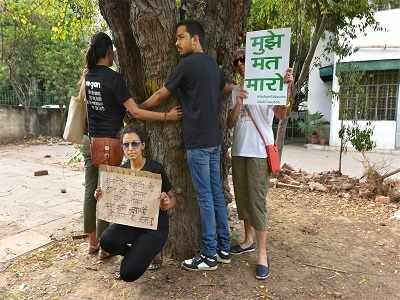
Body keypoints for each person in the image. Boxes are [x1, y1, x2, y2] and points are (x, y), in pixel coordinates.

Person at [140, 20, 246, 271]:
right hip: (214, 140)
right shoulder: (212, 65)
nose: (176, 43)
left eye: (180, 37)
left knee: (207, 198)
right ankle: (222, 249)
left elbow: (161, 96)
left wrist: (137, 108)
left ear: (195, 39)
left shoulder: (186, 65)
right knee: (217, 195)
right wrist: (243, 87)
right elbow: (227, 87)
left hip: (198, 143)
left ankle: (209, 255)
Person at [82, 32, 181, 257]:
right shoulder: (113, 78)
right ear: (109, 52)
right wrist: (167, 116)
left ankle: (93, 242)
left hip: (90, 141)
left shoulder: (88, 76)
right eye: (113, 50)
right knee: (111, 192)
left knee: (92, 191)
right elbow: (135, 111)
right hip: (111, 144)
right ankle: (106, 246)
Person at [227, 48, 293, 280]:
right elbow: (229, 123)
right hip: (238, 151)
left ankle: (263, 254)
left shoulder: (268, 87)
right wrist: (238, 103)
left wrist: (286, 86)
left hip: (258, 153)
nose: (241, 64)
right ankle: (248, 240)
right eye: (237, 62)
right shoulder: (235, 90)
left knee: (257, 201)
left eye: (245, 59)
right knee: (242, 198)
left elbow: (282, 113)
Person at [96, 124, 176, 282]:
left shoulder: (156, 168)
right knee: (106, 241)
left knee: (128, 274)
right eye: (126, 144)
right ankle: (138, 255)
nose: (130, 148)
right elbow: (113, 201)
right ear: (122, 147)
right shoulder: (121, 172)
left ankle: (147, 253)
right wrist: (101, 196)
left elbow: (173, 198)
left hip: (154, 228)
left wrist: (167, 203)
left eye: (135, 144)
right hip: (130, 223)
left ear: (143, 146)